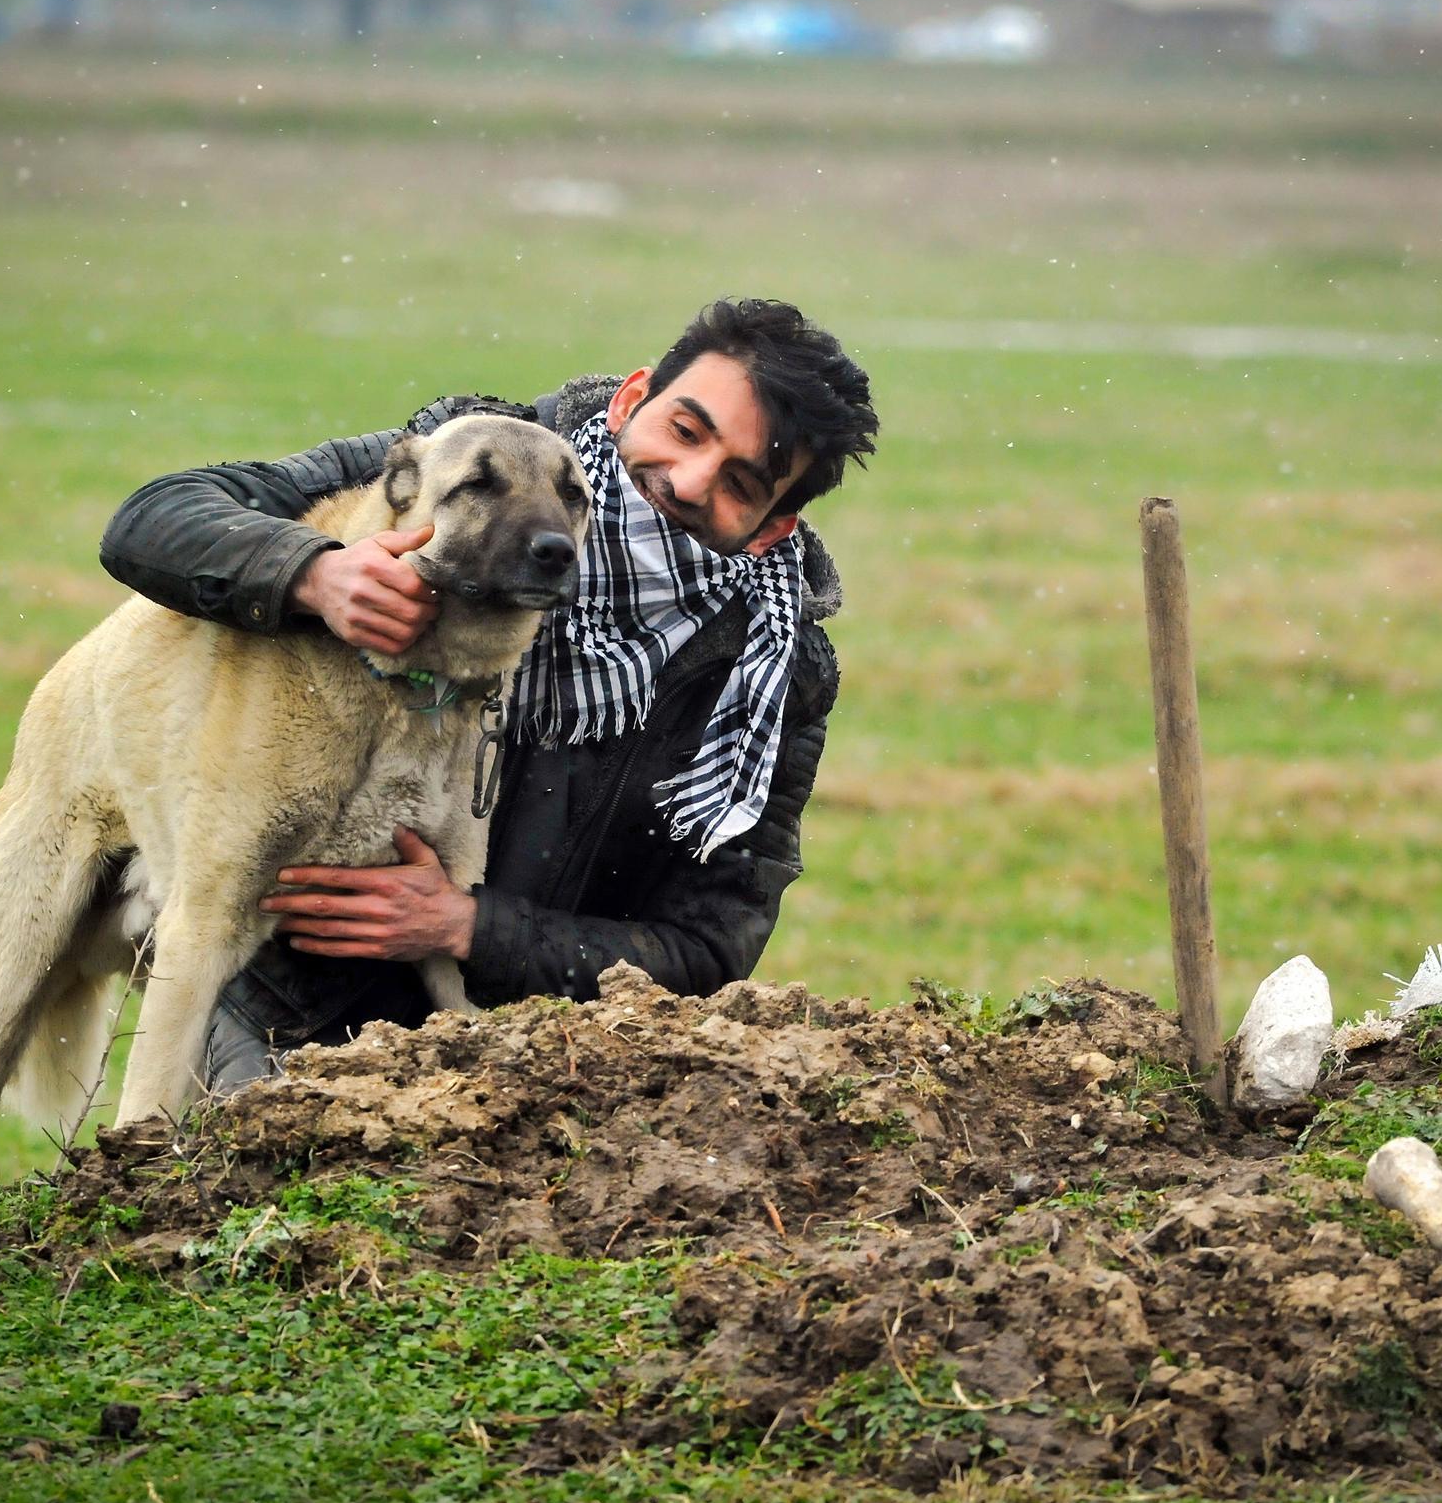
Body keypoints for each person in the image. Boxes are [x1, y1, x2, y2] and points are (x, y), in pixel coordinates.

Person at [97, 298, 878, 1095]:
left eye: (741, 482)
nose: (685, 481)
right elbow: (155, 520)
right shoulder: (466, 456)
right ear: (630, 399)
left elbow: (708, 951)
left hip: (529, 1052)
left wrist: (468, 928)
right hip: (289, 1006)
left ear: (772, 528)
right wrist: (311, 573)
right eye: (684, 430)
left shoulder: (775, 673)